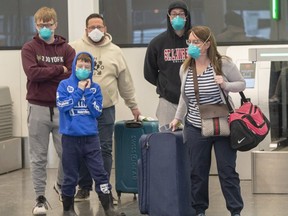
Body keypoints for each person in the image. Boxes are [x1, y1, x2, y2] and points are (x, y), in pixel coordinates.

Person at [170, 26, 245, 216]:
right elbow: (183, 96)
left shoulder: (223, 63)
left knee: (227, 171)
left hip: (223, 125)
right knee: (198, 172)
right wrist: (177, 118)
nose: (192, 45)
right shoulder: (185, 68)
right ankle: (200, 210)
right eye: (190, 42)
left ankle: (235, 211)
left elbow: (241, 84)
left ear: (207, 44)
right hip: (195, 126)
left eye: (196, 42)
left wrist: (225, 84)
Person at [69, 13, 141, 201]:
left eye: (99, 27)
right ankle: (83, 187)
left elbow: (125, 82)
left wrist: (133, 105)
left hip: (105, 109)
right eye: (91, 27)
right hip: (81, 109)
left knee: (104, 149)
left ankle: (104, 189)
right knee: (82, 148)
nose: (95, 31)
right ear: (86, 30)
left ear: (105, 29)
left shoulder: (115, 51)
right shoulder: (75, 48)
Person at [21, 6, 75, 215]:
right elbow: (33, 74)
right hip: (37, 108)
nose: (45, 28)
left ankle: (60, 186)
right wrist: (58, 69)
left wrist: (51, 72)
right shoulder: (29, 48)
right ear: (36, 25)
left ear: (56, 25)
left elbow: (71, 76)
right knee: (38, 157)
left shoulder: (67, 49)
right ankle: (40, 199)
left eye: (48, 24)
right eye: (41, 25)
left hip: (63, 109)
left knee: (68, 154)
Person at [57, 52, 125, 216]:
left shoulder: (95, 88)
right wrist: (78, 91)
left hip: (91, 139)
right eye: (80, 66)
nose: (83, 69)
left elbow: (96, 111)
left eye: (87, 67)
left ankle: (109, 208)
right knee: (70, 175)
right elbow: (63, 106)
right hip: (70, 139)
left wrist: (87, 92)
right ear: (74, 66)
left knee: (100, 174)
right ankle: (68, 209)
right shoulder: (64, 85)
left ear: (92, 69)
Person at [143, 0, 191, 130]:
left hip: (193, 100)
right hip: (168, 102)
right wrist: (165, 85)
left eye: (181, 14)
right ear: (169, 17)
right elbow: (149, 72)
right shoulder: (157, 43)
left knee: (195, 142)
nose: (177, 17)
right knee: (168, 142)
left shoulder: (195, 41)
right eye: (174, 14)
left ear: (186, 16)